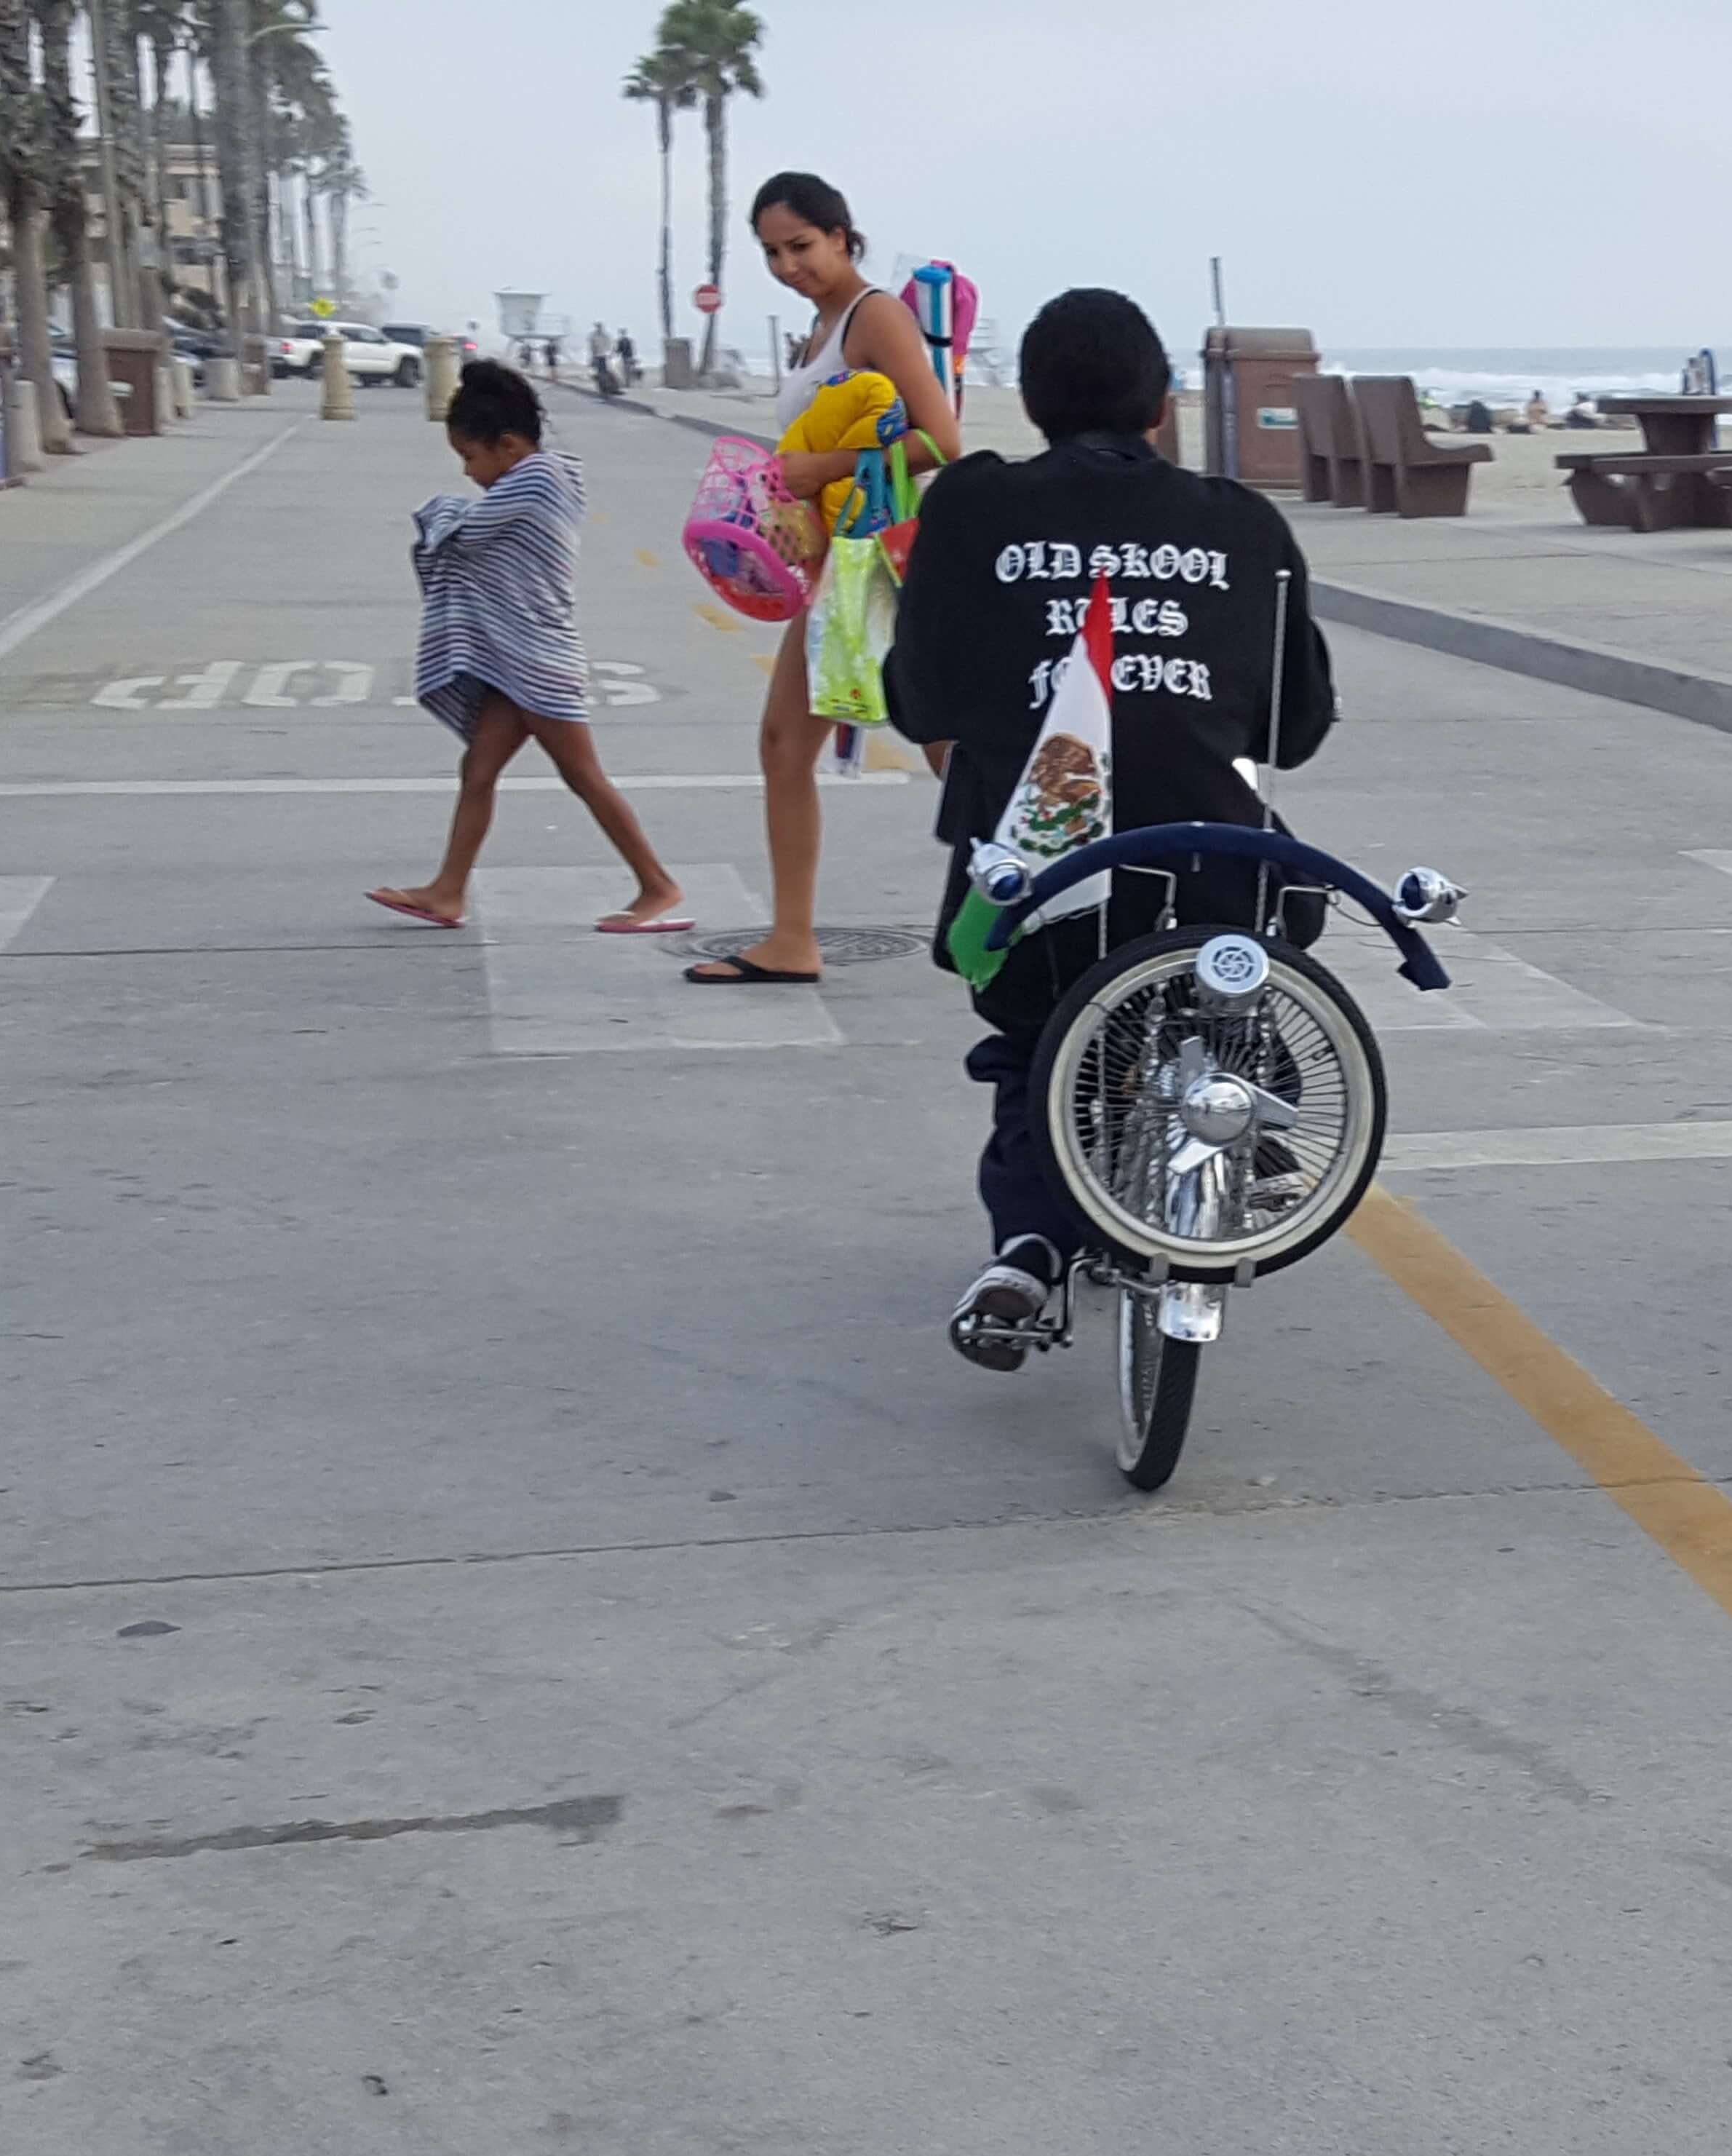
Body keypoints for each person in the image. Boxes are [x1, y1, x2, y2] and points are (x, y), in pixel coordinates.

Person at [885, 288, 1335, 1352]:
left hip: (1035, 880)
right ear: (1161, 403)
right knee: (1242, 976)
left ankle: (1028, 1249)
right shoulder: (1242, 522)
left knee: (1033, 1044)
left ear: (1032, 402)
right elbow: (1295, 728)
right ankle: (1251, 1108)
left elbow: (920, 702)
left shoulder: (970, 508)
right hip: (1209, 871)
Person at [686, 170, 964, 987]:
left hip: (879, 567)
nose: (786, 264)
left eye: (800, 246)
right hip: (835, 566)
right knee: (892, 746)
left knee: (945, 749)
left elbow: (942, 439)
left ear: (844, 236)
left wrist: (817, 468)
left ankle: (1032, 903)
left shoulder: (875, 317)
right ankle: (794, 937)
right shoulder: (818, 330)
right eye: (771, 252)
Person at [368, 362, 685, 936]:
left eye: (471, 457)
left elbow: (459, 531)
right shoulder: (531, 478)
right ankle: (447, 891)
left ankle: (656, 885)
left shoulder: (541, 480)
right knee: (479, 768)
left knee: (583, 775)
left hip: (539, 656)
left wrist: (441, 509)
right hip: (512, 657)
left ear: (509, 447)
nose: (468, 473)